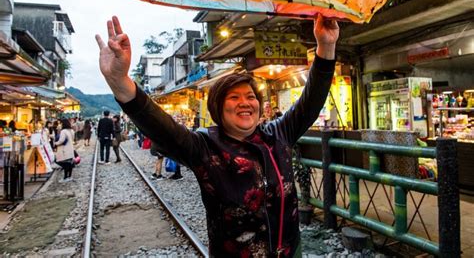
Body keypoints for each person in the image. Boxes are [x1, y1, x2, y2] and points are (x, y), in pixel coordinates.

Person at [96, 14, 337, 257]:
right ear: (218, 110)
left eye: (250, 97)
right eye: (234, 98)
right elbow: (160, 126)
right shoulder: (204, 147)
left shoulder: (278, 134)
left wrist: (326, 46)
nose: (245, 103)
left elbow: (311, 100)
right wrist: (120, 82)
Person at [54, 118, 75, 183]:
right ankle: (69, 176)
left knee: (64, 163)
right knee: (69, 163)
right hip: (70, 148)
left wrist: (56, 143)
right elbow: (73, 138)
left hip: (64, 149)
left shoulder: (63, 131)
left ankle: (65, 177)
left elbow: (61, 140)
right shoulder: (71, 130)